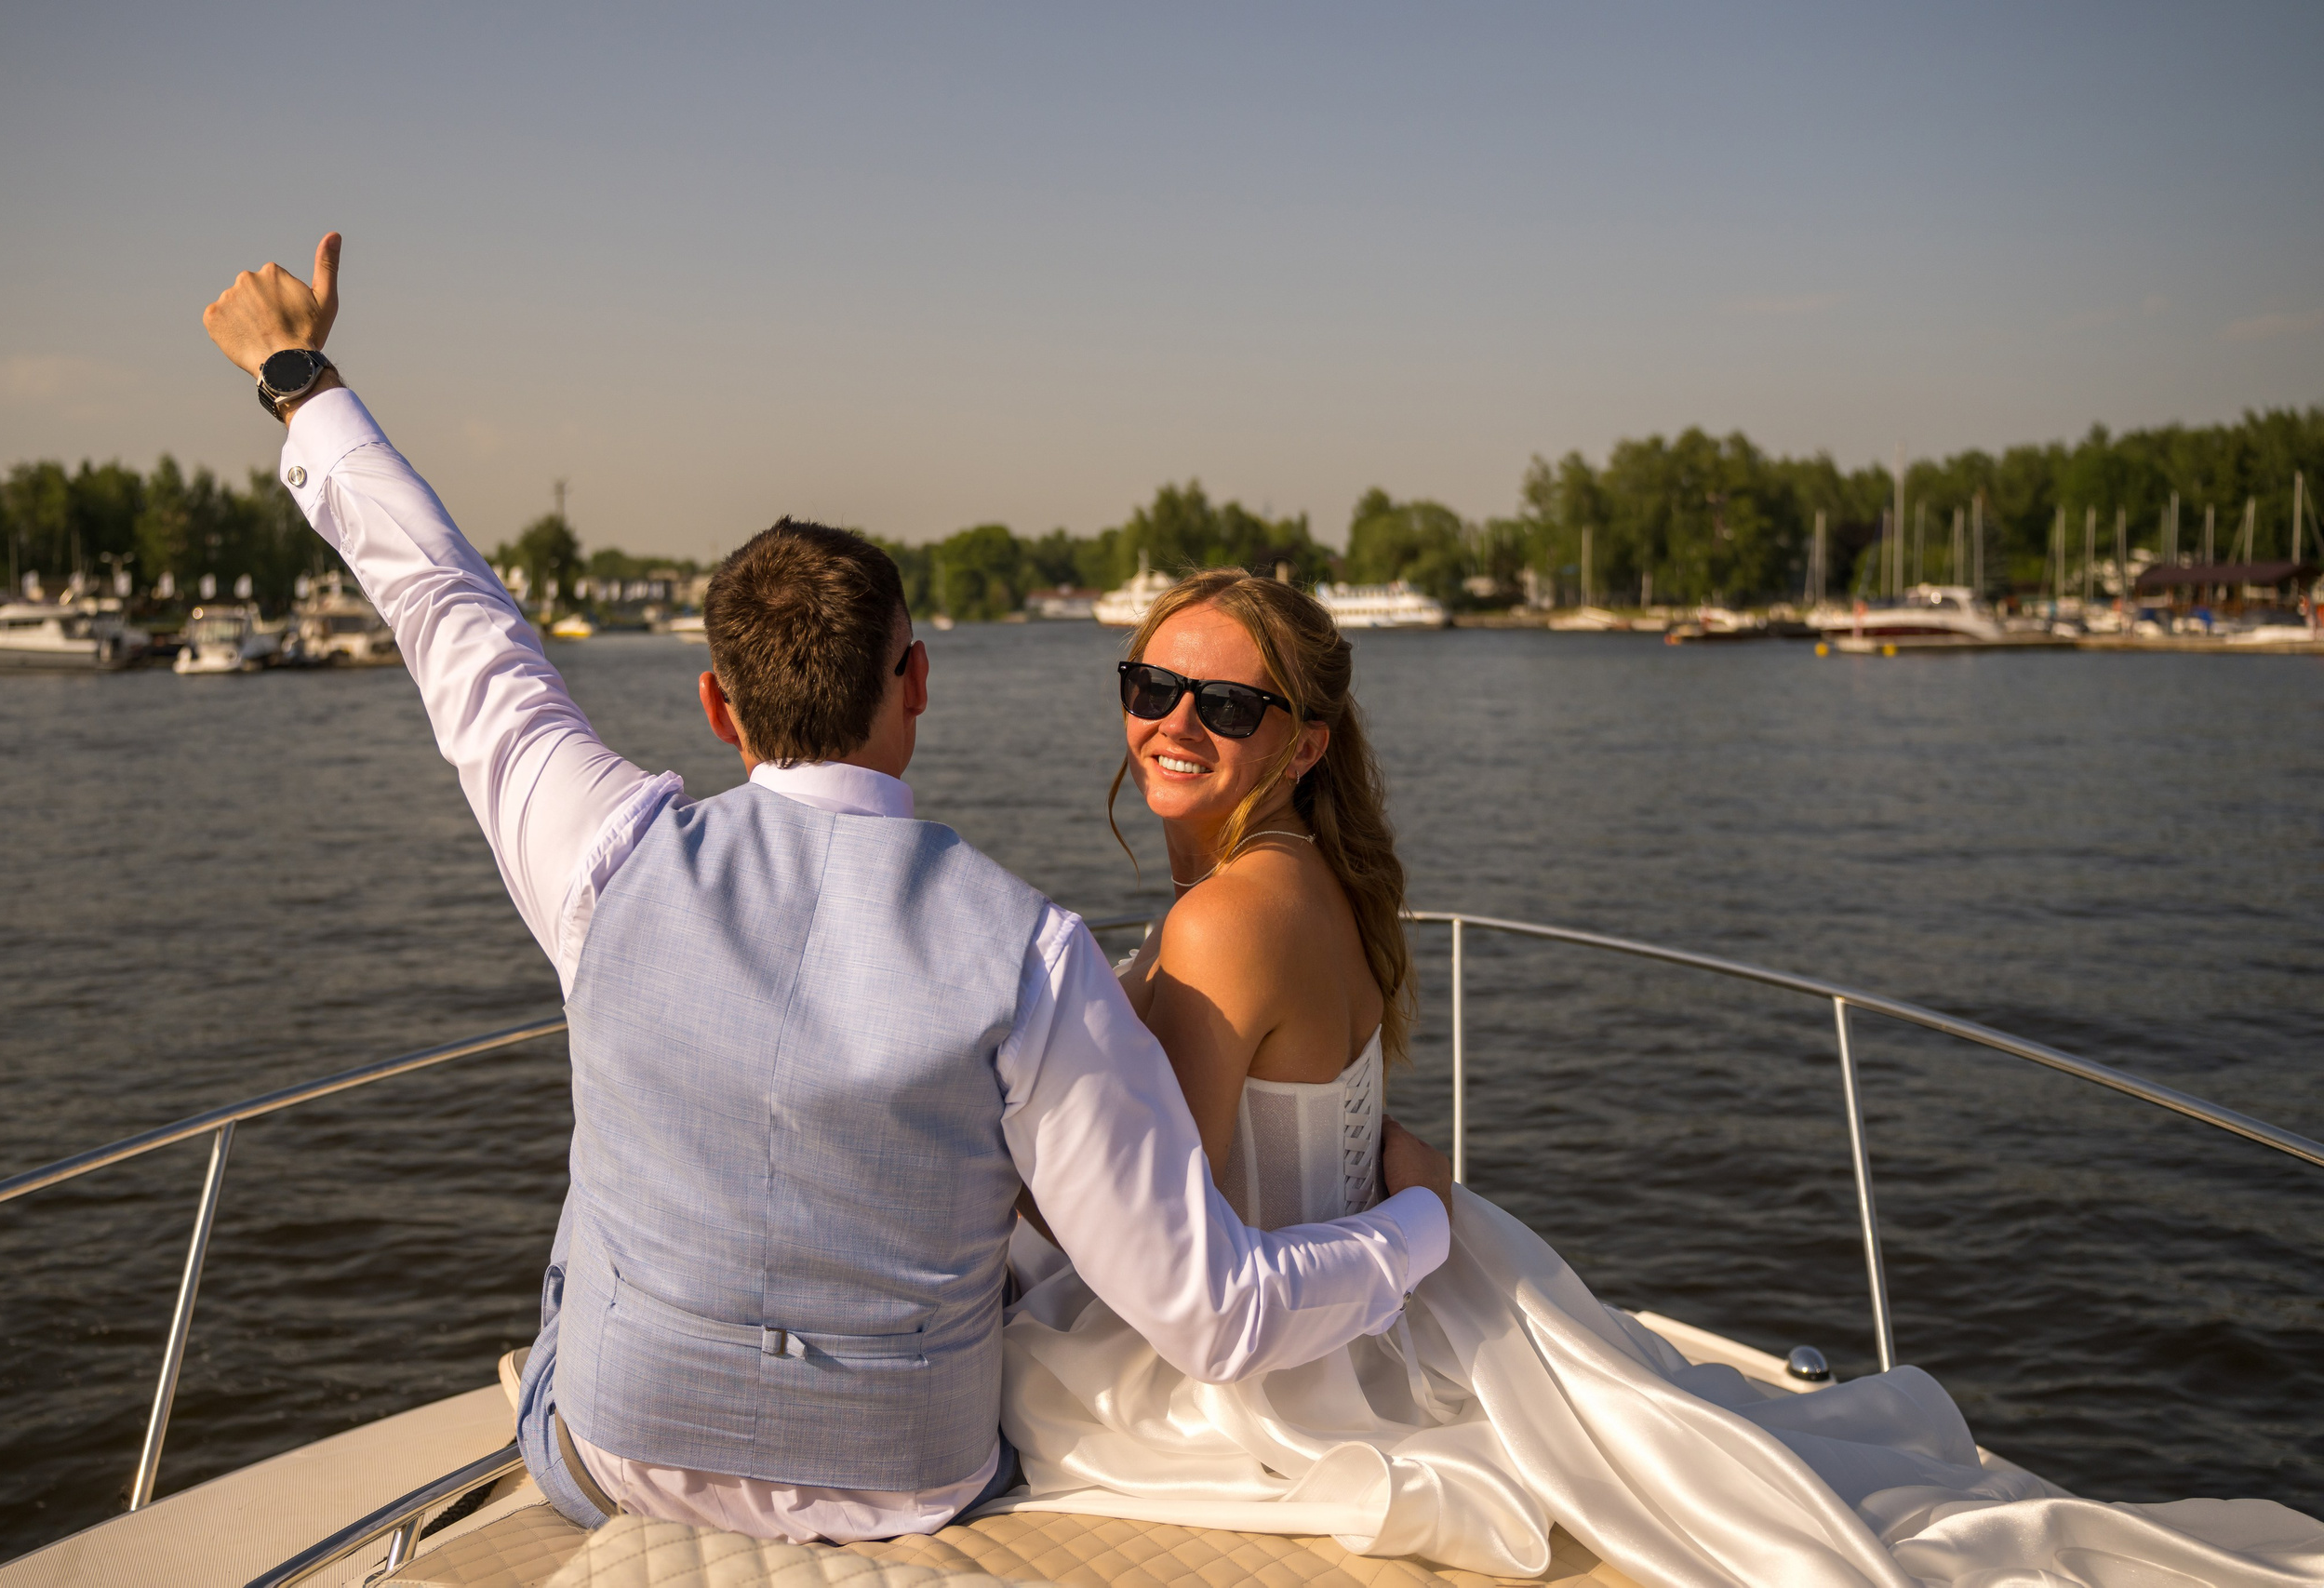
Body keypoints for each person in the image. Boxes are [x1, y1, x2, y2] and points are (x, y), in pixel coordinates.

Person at [198, 234, 1459, 1544]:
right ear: (914, 683)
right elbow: (1214, 1311)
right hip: (912, 1479)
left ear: (716, 706)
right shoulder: (1030, 953)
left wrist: (303, 379)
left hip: (617, 1452)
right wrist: (1422, 1222)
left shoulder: (604, 857)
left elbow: (449, 613)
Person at [1000, 569, 2324, 1587]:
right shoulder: (1315, 884)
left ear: (1304, 745)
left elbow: (1136, 1225)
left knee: (992, 1373)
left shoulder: (1225, 918)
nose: (1173, 724)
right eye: (1149, 686)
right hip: (1375, 1288)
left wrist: (1004, 1120)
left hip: (1276, 1355)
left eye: (1226, 704)